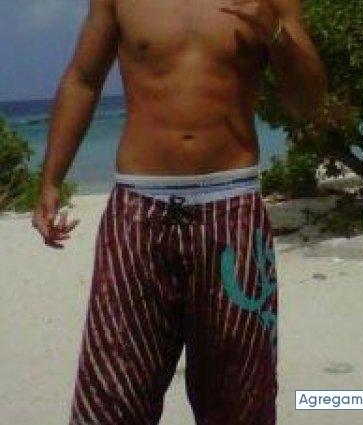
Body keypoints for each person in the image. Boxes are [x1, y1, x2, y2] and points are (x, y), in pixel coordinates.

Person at [32, 0, 327, 423]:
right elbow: (83, 78)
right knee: (112, 394)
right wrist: (51, 180)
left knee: (241, 398)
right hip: (137, 211)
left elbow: (309, 102)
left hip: (231, 210)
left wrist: (277, 35)